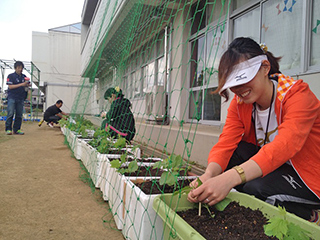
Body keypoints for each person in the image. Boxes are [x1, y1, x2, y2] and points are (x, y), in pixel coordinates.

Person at [187, 37, 320, 224]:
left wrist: (229, 179)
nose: (239, 89)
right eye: (233, 84)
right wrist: (209, 175)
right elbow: (226, 142)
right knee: (232, 157)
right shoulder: (240, 103)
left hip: (307, 174)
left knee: (255, 188)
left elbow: (285, 146)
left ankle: (309, 215)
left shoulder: (297, 95)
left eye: (244, 79)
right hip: (276, 166)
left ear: (265, 68)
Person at [5, 61, 30, 135]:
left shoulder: (23, 77)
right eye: (19, 68)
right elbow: (10, 86)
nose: (20, 69)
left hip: (21, 98)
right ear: (15, 68)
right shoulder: (11, 76)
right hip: (12, 97)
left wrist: (27, 85)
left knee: (19, 114)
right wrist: (22, 84)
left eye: (21, 68)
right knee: (10, 113)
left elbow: (25, 86)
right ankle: (8, 129)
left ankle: (17, 129)